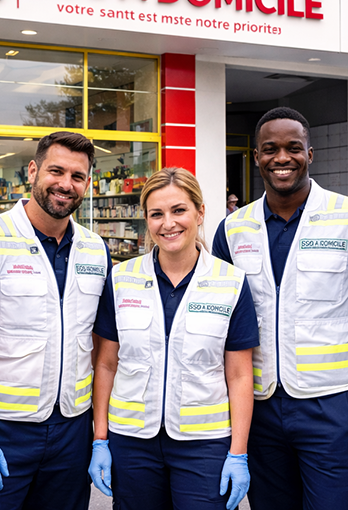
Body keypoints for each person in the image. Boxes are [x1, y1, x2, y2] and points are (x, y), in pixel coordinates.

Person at [212, 107, 348, 510]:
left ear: (310, 154)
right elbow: (220, 326)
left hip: (332, 407)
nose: (282, 158)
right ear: (256, 156)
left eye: (293, 148)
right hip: (260, 410)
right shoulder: (232, 229)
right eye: (270, 149)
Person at [0, 132, 110, 510]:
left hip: (70, 433)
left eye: (77, 176)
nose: (66, 184)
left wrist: (99, 436)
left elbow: (103, 350)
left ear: (88, 183)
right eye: (56, 171)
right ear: (33, 170)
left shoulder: (95, 249)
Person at [89, 167, 259, 510]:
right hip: (132, 442)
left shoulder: (231, 282)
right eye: (156, 214)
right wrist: (100, 440)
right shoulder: (121, 280)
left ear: (200, 212)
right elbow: (106, 364)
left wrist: (238, 453)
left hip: (204, 445)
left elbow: (240, 375)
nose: (168, 223)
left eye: (179, 210)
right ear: (146, 220)